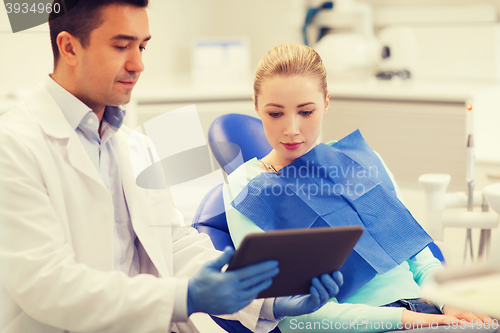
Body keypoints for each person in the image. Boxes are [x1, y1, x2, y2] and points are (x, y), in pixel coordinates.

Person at [0, 3, 343, 332]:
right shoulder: (14, 146)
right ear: (69, 48)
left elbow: (174, 246)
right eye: (122, 46)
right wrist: (185, 296)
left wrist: (268, 301)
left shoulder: (133, 145)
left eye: (142, 47)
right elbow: (46, 283)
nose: (138, 64)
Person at [223, 44, 498, 333]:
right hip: (367, 325)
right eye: (276, 114)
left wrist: (450, 304)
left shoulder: (360, 159)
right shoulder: (247, 188)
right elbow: (290, 315)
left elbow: (418, 255)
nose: (292, 129)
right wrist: (408, 320)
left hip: (430, 311)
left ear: (326, 102)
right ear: (256, 107)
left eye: (305, 111)